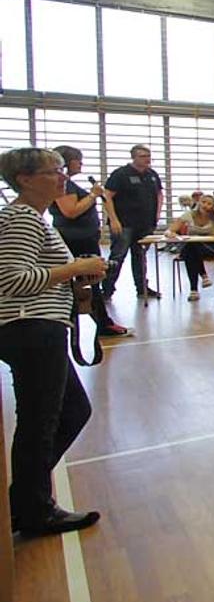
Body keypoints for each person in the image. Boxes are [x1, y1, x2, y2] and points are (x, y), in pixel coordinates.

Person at [0, 148, 108, 536]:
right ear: (26, 179)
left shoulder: (34, 220)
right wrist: (77, 267)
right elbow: (11, 280)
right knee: (42, 422)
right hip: (30, 329)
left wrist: (77, 279)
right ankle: (32, 507)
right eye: (53, 172)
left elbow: (35, 274)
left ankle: (26, 500)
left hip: (39, 327)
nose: (63, 178)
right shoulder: (22, 220)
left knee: (67, 412)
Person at [48, 146, 129, 337]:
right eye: (78, 160)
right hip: (76, 239)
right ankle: (102, 323)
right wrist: (92, 195)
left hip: (84, 237)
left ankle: (103, 322)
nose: (81, 164)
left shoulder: (71, 185)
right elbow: (71, 211)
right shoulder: (64, 185)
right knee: (90, 281)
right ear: (68, 162)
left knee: (94, 281)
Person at [100, 144, 163, 300]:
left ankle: (142, 288)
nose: (147, 159)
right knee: (118, 256)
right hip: (125, 223)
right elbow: (107, 196)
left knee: (140, 256)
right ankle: (107, 290)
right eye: (143, 156)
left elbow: (159, 194)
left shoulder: (152, 174)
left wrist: (157, 214)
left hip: (145, 223)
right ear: (134, 157)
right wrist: (113, 220)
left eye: (149, 156)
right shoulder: (121, 174)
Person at [167, 194, 214, 301]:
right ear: (199, 202)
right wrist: (170, 233)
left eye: (209, 204)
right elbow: (171, 229)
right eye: (203, 202)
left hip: (212, 248)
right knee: (191, 250)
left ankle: (195, 288)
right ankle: (201, 280)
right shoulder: (189, 214)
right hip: (193, 247)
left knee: (189, 251)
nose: (205, 205)